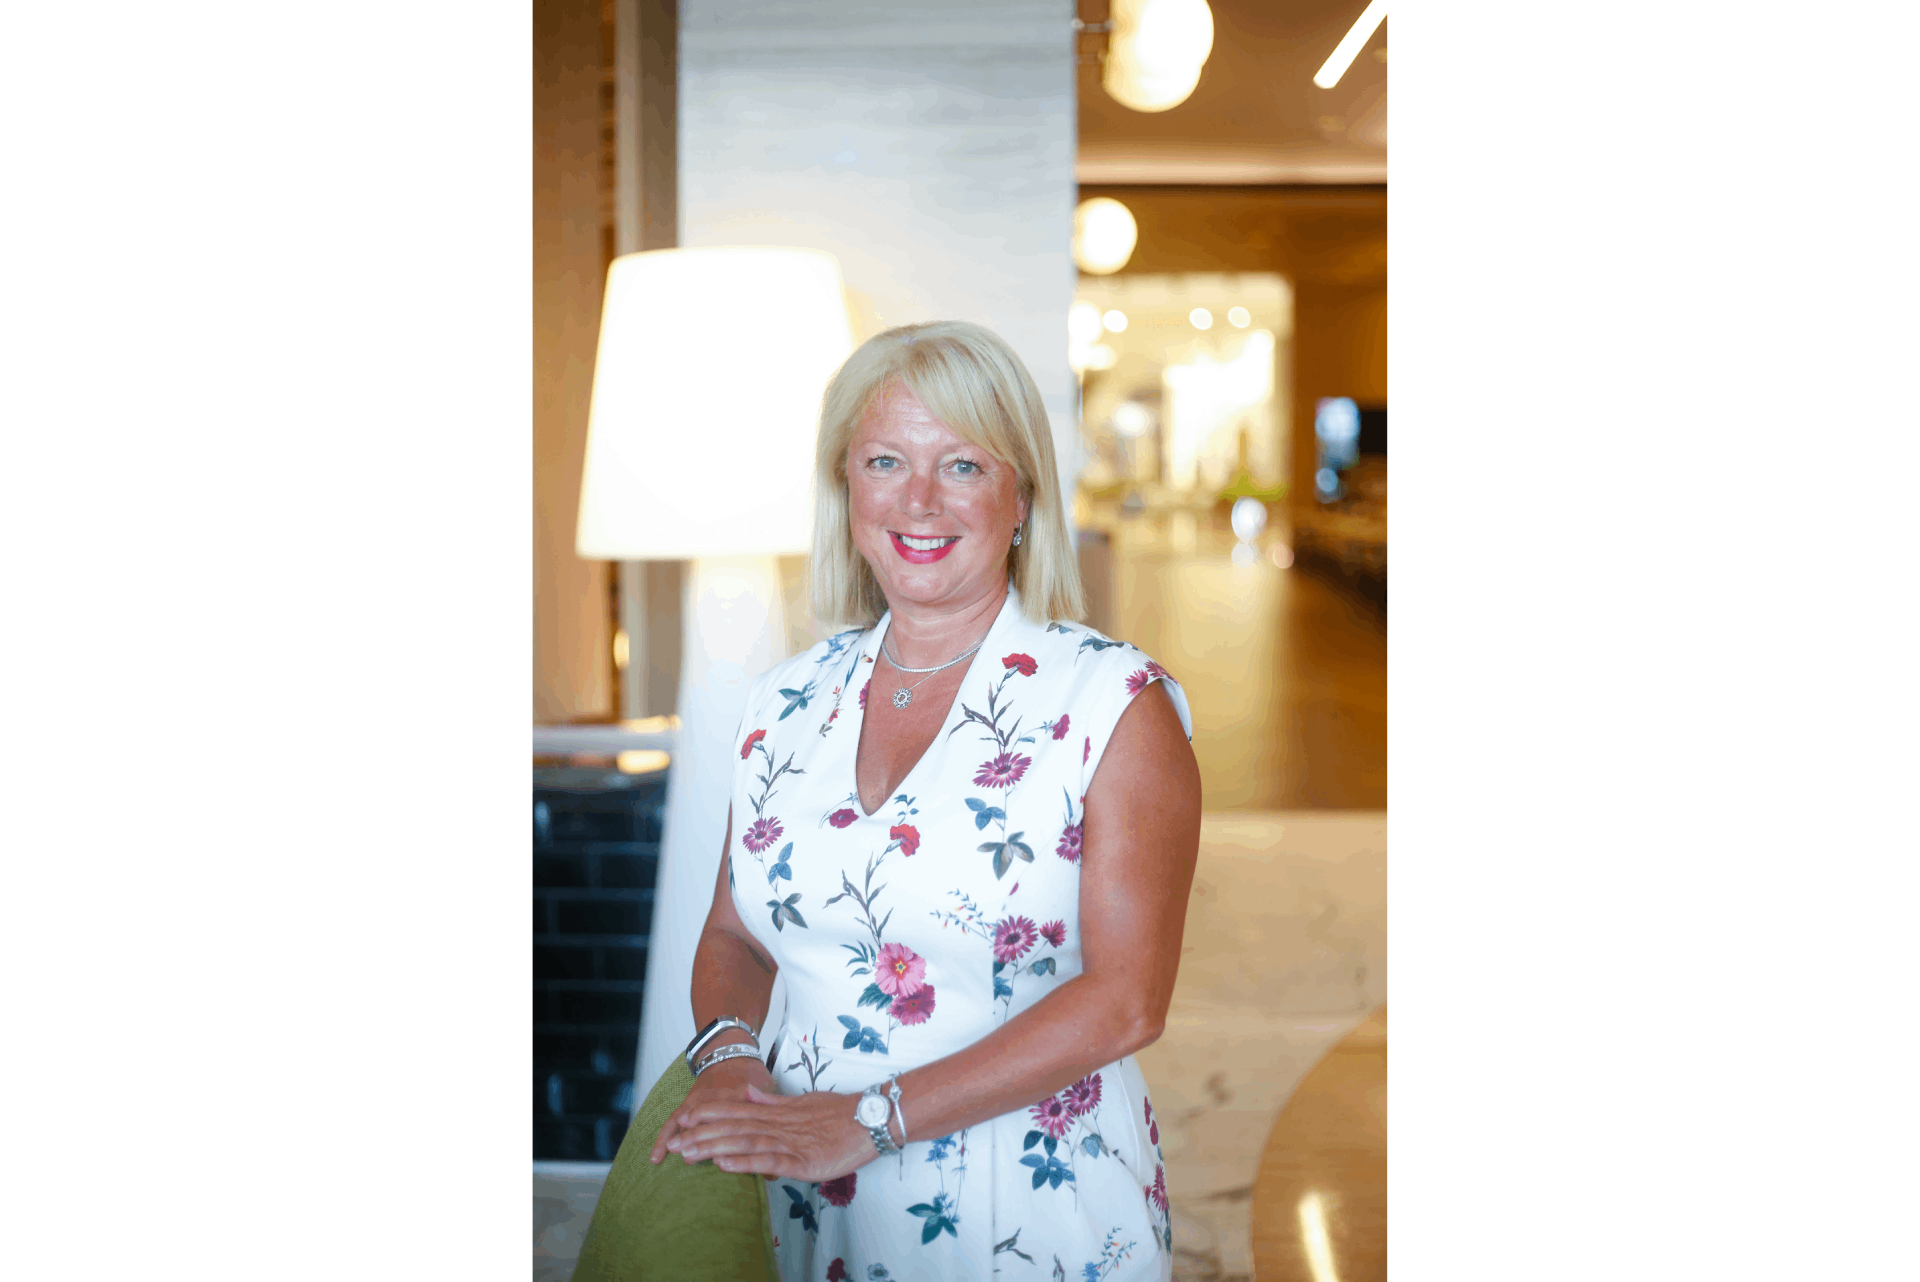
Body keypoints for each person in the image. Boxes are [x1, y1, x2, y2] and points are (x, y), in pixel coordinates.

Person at [649, 320, 1202, 1281]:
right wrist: (732, 1057)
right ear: (846, 488)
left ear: (1021, 497)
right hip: (805, 1191)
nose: (918, 500)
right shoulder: (784, 701)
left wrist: (868, 1121)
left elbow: (1127, 1003)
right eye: (885, 461)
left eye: (962, 466)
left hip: (1030, 1205)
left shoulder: (1114, 702)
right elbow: (737, 935)